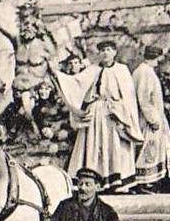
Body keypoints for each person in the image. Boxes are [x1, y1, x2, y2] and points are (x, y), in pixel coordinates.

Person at [50, 40, 144, 190]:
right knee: (93, 145)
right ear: (99, 53)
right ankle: (93, 182)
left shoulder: (122, 70)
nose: (106, 53)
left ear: (114, 52)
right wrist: (57, 74)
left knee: (114, 146)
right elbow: (76, 83)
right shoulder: (92, 70)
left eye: (109, 49)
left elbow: (129, 97)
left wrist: (123, 113)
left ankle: (117, 182)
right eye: (103, 50)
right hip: (96, 112)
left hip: (115, 114)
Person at [132, 45, 170, 191]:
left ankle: (163, 181)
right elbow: (144, 98)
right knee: (149, 150)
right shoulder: (144, 72)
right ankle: (146, 183)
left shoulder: (145, 71)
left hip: (154, 116)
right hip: (148, 119)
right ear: (157, 57)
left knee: (161, 148)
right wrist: (153, 119)